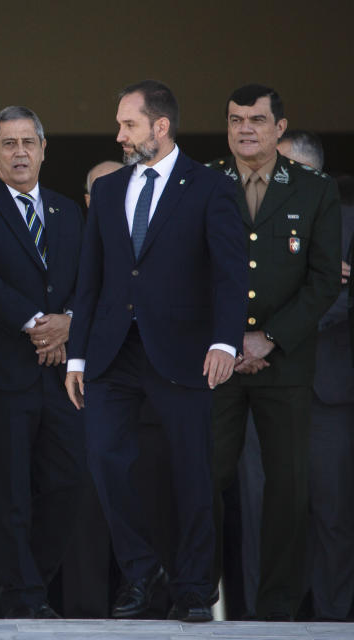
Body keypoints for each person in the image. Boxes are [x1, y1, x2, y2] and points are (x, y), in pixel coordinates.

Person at [65, 80, 248, 623]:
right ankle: (141, 573)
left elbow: (230, 272)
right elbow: (90, 279)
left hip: (186, 351)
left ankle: (194, 588)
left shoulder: (210, 186)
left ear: (160, 127)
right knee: (104, 460)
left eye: (129, 125)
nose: (119, 135)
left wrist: (225, 341)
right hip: (111, 352)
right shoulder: (110, 188)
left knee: (193, 472)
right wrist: (76, 356)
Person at [209, 84, 341, 621]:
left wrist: (271, 336)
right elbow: (187, 271)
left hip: (285, 363)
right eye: (236, 118)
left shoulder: (314, 189)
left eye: (258, 119)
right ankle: (198, 595)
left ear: (279, 128)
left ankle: (277, 610)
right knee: (207, 480)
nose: (246, 128)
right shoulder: (202, 182)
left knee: (287, 490)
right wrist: (225, 337)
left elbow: (324, 278)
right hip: (215, 360)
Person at [0, 106, 85, 618]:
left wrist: (67, 322)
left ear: (44, 149)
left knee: (67, 483)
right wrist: (38, 324)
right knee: (6, 493)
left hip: (59, 371)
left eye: (29, 142)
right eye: (8, 144)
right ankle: (25, 597)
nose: (20, 152)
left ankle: (26, 584)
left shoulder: (67, 210)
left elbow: (87, 280)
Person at [307, 173, 354, 621]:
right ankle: (265, 618)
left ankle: (334, 617)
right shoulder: (242, 222)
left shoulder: (348, 223)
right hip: (258, 385)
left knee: (334, 512)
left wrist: (275, 334)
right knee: (264, 511)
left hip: (329, 390)